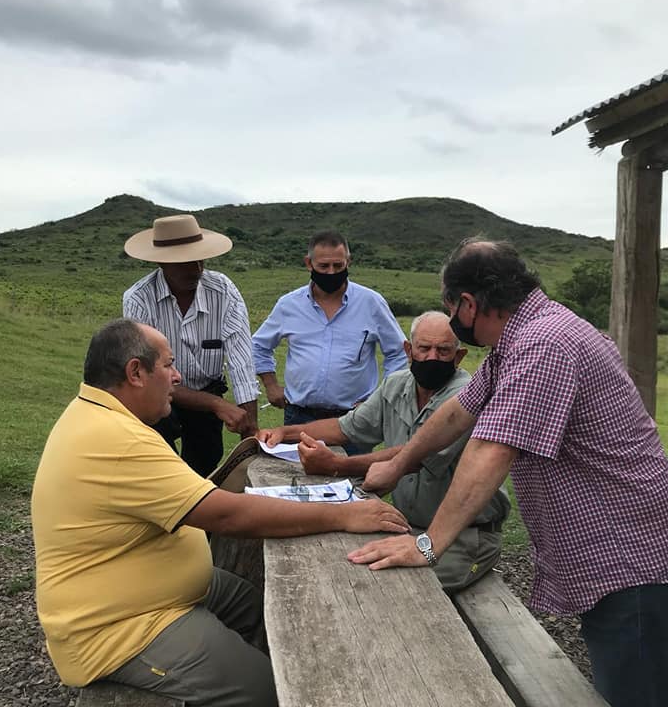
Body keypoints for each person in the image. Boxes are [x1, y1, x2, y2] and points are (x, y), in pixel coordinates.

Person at [31, 318, 408, 707]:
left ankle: (215, 687)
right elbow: (226, 515)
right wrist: (344, 515)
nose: (177, 377)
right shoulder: (117, 439)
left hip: (149, 590)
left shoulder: (103, 417)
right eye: (168, 366)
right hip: (119, 626)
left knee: (255, 606)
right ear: (135, 373)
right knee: (265, 698)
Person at [350, 238, 668, 707]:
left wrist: (428, 544)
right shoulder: (520, 340)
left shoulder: (544, 345)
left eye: (451, 308)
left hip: (626, 553)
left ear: (468, 303)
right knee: (631, 691)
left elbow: (490, 449)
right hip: (614, 548)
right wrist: (399, 463)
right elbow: (459, 412)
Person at [258, 311, 509, 592]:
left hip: (464, 536)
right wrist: (286, 433)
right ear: (409, 350)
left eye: (443, 350)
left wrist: (336, 465)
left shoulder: (466, 396)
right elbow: (346, 427)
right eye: (424, 348)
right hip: (408, 525)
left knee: (393, 590)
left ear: (459, 356)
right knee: (338, 565)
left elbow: (414, 456)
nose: (432, 358)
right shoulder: (397, 384)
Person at [123, 214, 258, 476]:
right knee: (158, 465)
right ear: (161, 262)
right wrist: (216, 404)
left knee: (205, 463)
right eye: (184, 262)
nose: (195, 269)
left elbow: (241, 360)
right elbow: (148, 375)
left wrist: (250, 430)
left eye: (200, 259)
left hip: (207, 389)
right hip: (156, 395)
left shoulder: (224, 291)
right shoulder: (139, 299)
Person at [252, 230, 408, 453]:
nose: (331, 272)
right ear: (309, 263)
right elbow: (259, 345)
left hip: (353, 419)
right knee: (296, 473)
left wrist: (379, 397)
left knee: (353, 473)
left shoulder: (371, 303)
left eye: (338, 265)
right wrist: (271, 385)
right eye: (324, 266)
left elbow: (398, 352)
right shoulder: (289, 305)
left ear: (348, 262)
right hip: (299, 416)